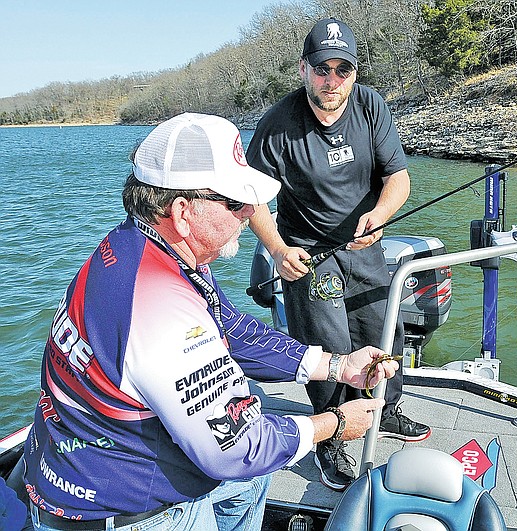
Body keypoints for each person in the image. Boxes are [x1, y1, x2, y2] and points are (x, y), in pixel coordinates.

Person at [19, 113, 397, 530]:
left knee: (253, 471)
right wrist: (336, 423)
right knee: (252, 447)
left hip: (80, 463)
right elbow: (237, 448)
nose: (251, 212)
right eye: (236, 203)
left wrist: (338, 366)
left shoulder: (141, 246)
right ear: (182, 212)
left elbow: (229, 328)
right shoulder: (166, 310)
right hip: (127, 507)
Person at [245, 17, 431, 492]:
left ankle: (386, 410)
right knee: (328, 349)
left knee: (380, 332)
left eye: (342, 70)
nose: (332, 81)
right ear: (304, 69)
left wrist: (382, 213)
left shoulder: (371, 107)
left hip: (364, 246)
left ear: (354, 72)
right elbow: (252, 198)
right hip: (307, 257)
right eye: (322, 69)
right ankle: (331, 438)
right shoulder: (278, 125)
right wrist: (278, 249)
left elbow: (398, 178)